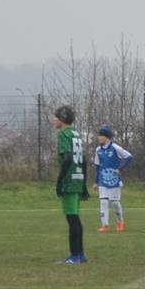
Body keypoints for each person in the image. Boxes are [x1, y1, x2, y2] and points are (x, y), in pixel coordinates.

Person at [53, 106, 89, 263]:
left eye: (56, 117)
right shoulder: (76, 134)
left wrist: (59, 180)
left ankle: (75, 256)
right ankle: (80, 254)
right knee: (75, 218)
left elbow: (67, 158)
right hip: (78, 179)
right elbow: (84, 160)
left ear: (62, 118)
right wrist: (84, 183)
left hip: (69, 181)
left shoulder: (64, 135)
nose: (54, 120)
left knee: (72, 219)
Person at [93, 125, 134, 232]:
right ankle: (105, 225)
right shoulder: (98, 150)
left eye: (101, 135)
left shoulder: (115, 148)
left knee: (115, 202)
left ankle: (120, 221)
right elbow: (97, 167)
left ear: (106, 137)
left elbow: (129, 157)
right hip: (102, 180)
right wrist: (96, 182)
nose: (99, 137)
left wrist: (119, 169)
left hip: (114, 180)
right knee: (103, 202)